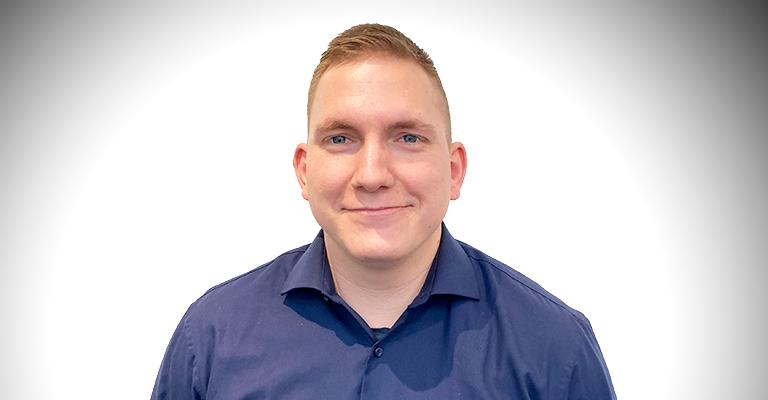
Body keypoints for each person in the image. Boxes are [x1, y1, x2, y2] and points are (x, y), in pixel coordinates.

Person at [151, 23, 616, 399]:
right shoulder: (210, 337)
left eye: (408, 138)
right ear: (304, 170)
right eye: (341, 139)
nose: (372, 174)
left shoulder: (555, 347)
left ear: (453, 170)